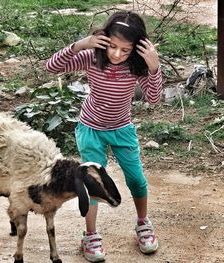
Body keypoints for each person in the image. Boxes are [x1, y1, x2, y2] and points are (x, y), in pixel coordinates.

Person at [46, 10, 162, 262]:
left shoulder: (137, 66)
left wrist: (154, 67)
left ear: (137, 49)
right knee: (93, 182)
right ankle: (91, 235)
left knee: (137, 179)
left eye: (125, 49)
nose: (117, 54)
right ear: (104, 39)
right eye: (113, 46)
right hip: (91, 129)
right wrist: (80, 45)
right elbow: (50, 66)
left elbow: (153, 98)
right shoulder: (91, 57)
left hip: (122, 128)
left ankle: (143, 223)